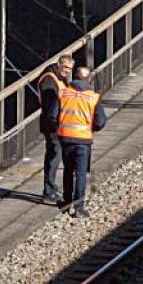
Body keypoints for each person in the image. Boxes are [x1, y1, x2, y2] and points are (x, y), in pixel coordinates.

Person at [45, 65, 108, 217]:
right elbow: (100, 121)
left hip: (65, 138)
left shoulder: (63, 94)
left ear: (75, 77)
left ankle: (66, 203)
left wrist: (59, 128)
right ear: (89, 80)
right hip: (83, 140)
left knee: (67, 170)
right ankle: (79, 207)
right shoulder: (94, 97)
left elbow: (52, 116)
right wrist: (91, 128)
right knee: (80, 173)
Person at [35, 57, 72, 204]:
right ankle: (49, 190)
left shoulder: (59, 78)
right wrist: (55, 126)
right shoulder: (50, 79)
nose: (67, 70)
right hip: (53, 126)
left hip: (58, 124)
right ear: (59, 64)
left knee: (55, 156)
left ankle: (51, 188)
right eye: (65, 67)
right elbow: (51, 106)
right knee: (54, 156)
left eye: (69, 68)